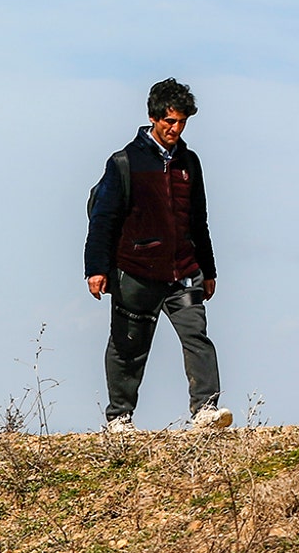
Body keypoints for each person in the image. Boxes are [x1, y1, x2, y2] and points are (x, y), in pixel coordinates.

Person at [85, 78, 229, 432]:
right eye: (170, 121)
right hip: (135, 272)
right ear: (153, 117)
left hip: (183, 271)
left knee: (197, 337)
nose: (175, 129)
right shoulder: (124, 162)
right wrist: (96, 269)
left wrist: (208, 270)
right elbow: (103, 219)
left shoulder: (190, 163)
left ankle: (206, 410)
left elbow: (199, 221)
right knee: (127, 347)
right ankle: (120, 417)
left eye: (182, 122)